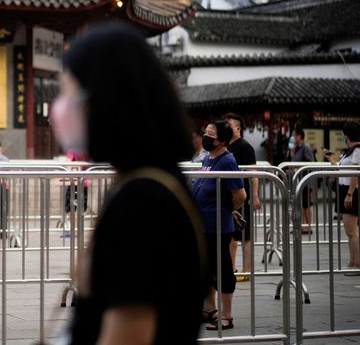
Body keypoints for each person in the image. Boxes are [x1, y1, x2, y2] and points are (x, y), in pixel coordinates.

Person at [55, 22, 206, 345]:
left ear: (104, 99)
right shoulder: (146, 183)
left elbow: (128, 331)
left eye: (67, 91)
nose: (60, 106)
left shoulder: (144, 200)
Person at [193, 121, 247, 331]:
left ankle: (227, 316)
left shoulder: (227, 160)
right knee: (205, 268)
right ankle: (209, 309)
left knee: (222, 268)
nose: (205, 137)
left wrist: (226, 208)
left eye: (210, 135)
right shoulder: (209, 157)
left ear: (222, 140)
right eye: (205, 132)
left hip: (217, 226)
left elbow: (240, 194)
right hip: (204, 224)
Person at [223, 112, 258, 283]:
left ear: (237, 128)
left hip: (242, 195)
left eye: (228, 124)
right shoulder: (225, 145)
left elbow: (254, 174)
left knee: (246, 235)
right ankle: (232, 268)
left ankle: (248, 270)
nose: (226, 126)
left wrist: (255, 195)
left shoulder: (245, 147)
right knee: (230, 235)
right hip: (228, 197)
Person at [325, 121, 360, 274]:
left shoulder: (357, 150)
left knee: (351, 230)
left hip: (351, 190)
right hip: (346, 189)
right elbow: (343, 167)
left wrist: (350, 194)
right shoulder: (350, 150)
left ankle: (356, 263)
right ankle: (353, 261)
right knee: (349, 230)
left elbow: (354, 172)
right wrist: (332, 160)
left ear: (347, 135)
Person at [290, 127, 315, 234]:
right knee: (301, 204)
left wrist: (299, 169)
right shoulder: (297, 148)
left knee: (307, 204)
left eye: (294, 135)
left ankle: (308, 226)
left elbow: (310, 163)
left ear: (300, 136)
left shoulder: (306, 147)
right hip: (298, 181)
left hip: (305, 180)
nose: (293, 138)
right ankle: (302, 226)